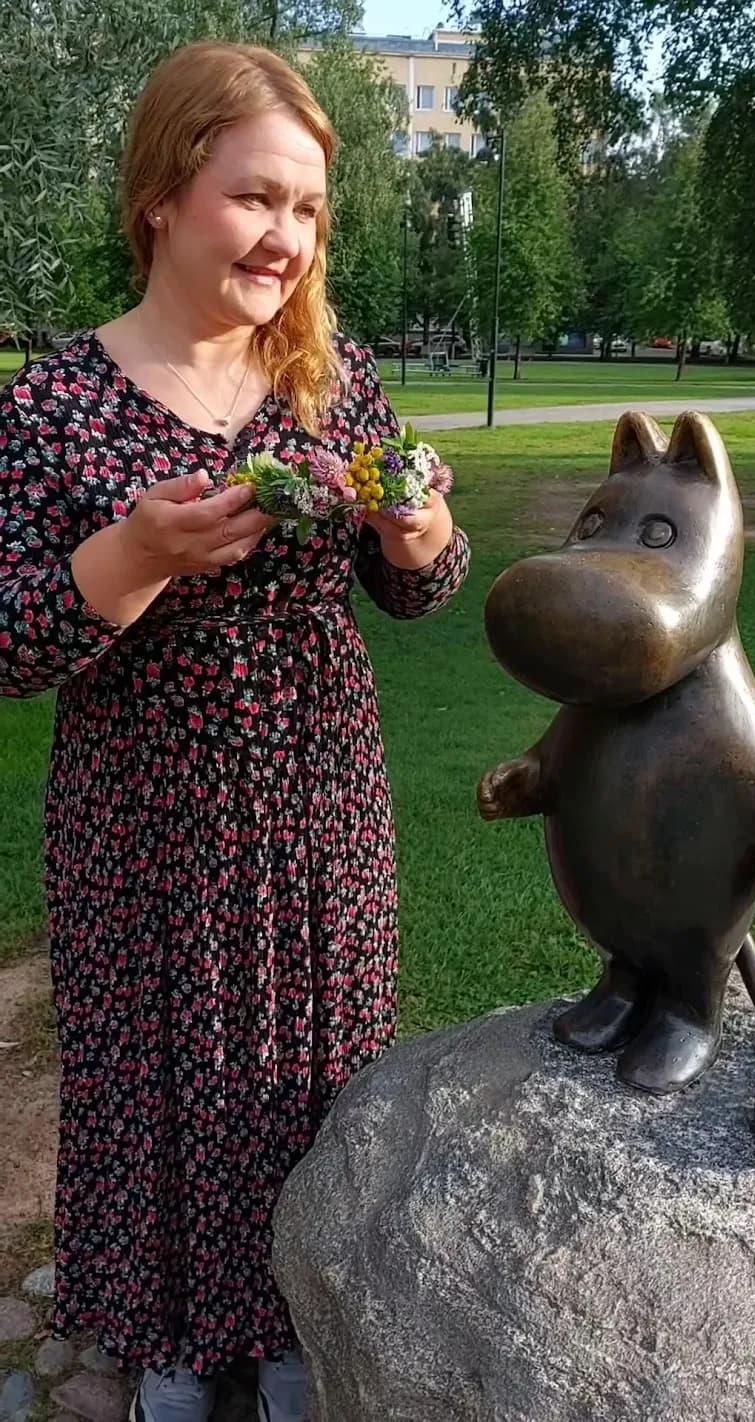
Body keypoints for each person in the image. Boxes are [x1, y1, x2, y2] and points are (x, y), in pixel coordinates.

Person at [0, 39, 469, 1422]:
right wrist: (135, 556)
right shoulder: (55, 406)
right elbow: (10, 639)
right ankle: (169, 1347)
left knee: (314, 1077)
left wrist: (423, 531)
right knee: (159, 1087)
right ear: (162, 195)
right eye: (256, 196)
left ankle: (293, 1328)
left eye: (308, 208)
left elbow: (418, 586)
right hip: (143, 822)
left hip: (322, 809)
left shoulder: (333, 380)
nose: (287, 236)